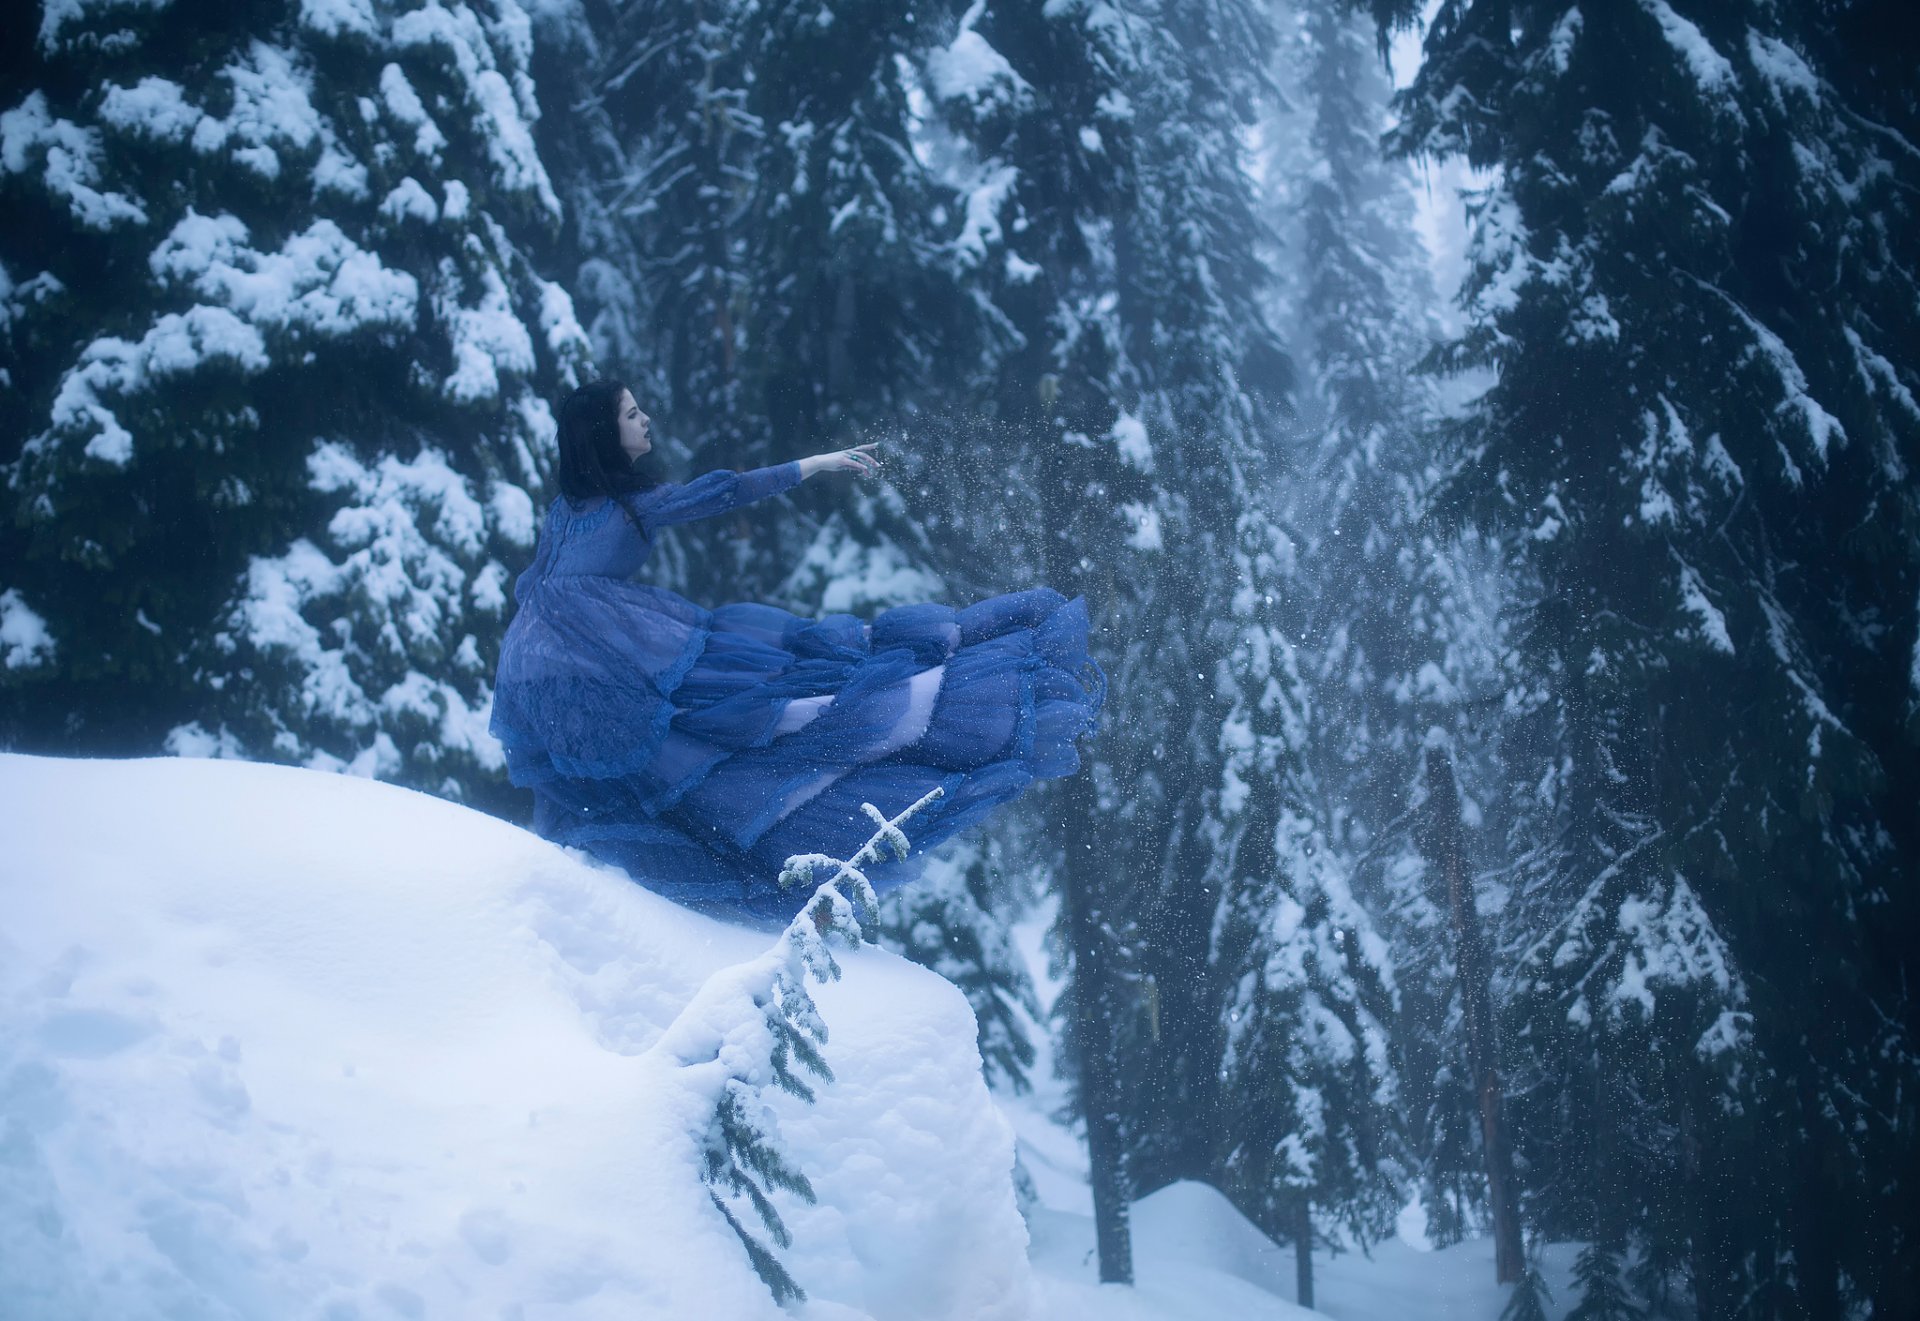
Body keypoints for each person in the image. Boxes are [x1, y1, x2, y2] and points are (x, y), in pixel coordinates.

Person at [489, 379, 1105, 922]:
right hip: (588, 651)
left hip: (536, 660)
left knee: (643, 753)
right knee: (712, 721)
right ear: (604, 433)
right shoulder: (629, 509)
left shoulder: (569, 510)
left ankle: (595, 863)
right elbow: (724, 492)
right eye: (629, 414)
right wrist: (815, 464)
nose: (644, 420)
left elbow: (536, 581)